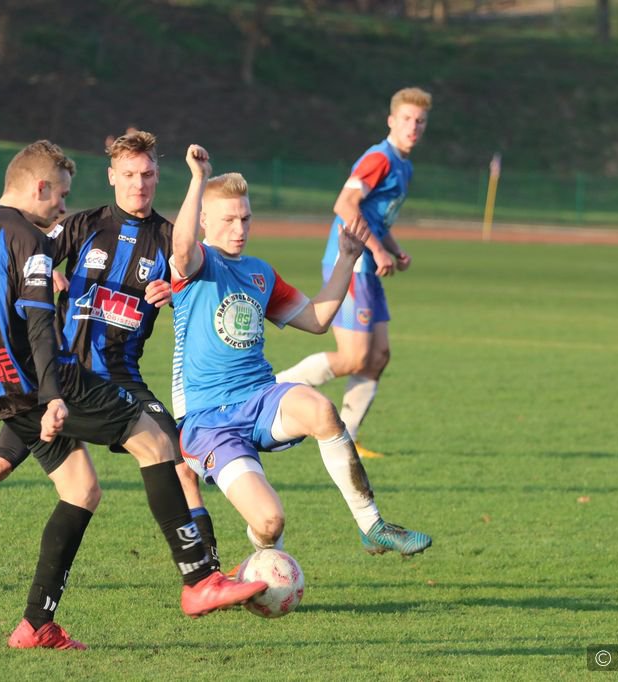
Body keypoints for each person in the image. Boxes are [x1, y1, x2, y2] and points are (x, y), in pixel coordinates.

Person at [0, 139, 265, 651]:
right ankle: (201, 579)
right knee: (153, 445)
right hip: (59, 379)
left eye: (148, 174)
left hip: (32, 383)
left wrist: (172, 290)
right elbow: (37, 309)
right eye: (129, 174)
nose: (139, 183)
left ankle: (36, 625)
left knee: (87, 488)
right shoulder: (57, 230)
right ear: (110, 176)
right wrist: (51, 380)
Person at [167, 144, 432, 559]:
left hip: (260, 397)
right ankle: (266, 561)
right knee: (270, 523)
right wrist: (198, 179)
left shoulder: (260, 272)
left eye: (245, 218)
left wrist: (346, 259)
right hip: (209, 420)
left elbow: (317, 319)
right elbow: (183, 249)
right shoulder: (197, 265)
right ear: (204, 220)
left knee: (321, 410)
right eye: (229, 219)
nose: (239, 228)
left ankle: (372, 526)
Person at [275, 87, 432, 459]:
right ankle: (271, 389)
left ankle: (350, 439)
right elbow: (345, 205)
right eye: (406, 119)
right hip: (352, 262)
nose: (413, 127)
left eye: (420, 121)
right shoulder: (379, 158)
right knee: (354, 357)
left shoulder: (404, 164)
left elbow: (376, 218)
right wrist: (376, 249)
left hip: (369, 265)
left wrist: (393, 249)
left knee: (379, 355)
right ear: (391, 120)